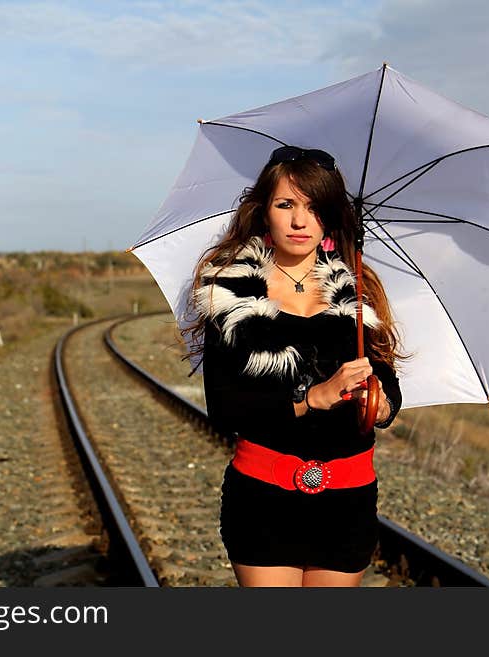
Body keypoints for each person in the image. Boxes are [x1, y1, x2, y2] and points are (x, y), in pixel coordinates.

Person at [185, 145, 405, 587]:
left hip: (347, 501)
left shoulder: (359, 289)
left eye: (314, 207)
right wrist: (312, 399)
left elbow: (388, 387)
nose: (300, 221)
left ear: (330, 215)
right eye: (286, 204)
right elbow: (225, 409)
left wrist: (378, 404)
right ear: (264, 210)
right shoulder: (227, 290)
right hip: (264, 501)